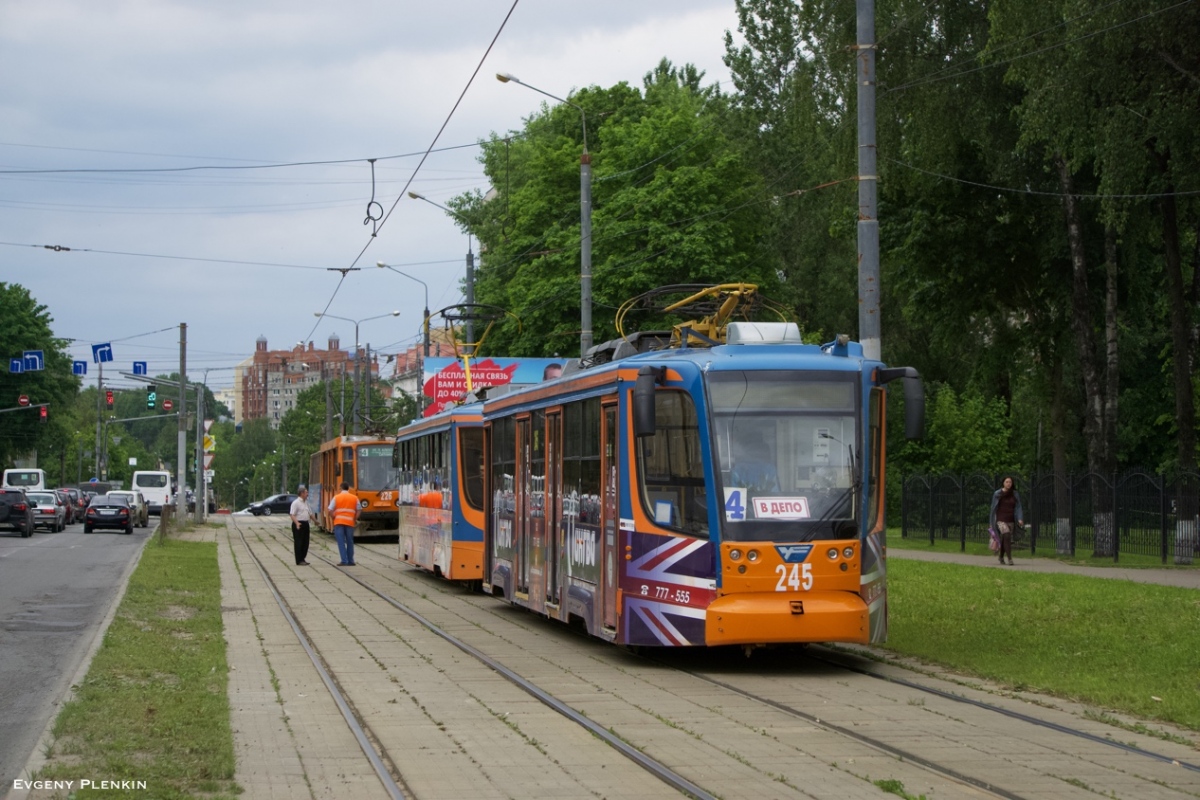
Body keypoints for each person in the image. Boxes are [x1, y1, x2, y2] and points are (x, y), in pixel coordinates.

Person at [989, 475, 1024, 566]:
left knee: (1005, 539)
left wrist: (1020, 518)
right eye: (1007, 482)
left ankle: (1001, 557)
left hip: (1011, 519)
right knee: (1007, 535)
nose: (1008, 484)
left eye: (1010, 482)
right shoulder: (997, 493)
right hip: (1001, 519)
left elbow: (1018, 507)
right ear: (1003, 483)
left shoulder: (1015, 494)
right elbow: (993, 508)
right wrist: (991, 522)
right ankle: (1010, 559)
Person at [328, 481, 358, 566]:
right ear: (348, 488)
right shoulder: (354, 498)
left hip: (339, 522)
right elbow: (359, 509)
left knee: (341, 542)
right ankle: (351, 561)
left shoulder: (336, 497)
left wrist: (333, 517)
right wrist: (355, 518)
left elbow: (330, 509)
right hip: (350, 522)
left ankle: (344, 561)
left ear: (341, 488)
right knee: (350, 542)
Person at [289, 485, 311, 566]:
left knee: (306, 543)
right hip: (298, 524)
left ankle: (303, 558)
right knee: (299, 543)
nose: (307, 494)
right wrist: (297, 523)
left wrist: (315, 521)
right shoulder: (296, 503)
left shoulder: (306, 502)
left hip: (305, 523)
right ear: (301, 493)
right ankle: (299, 560)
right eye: (306, 492)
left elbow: (310, 513)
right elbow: (292, 514)